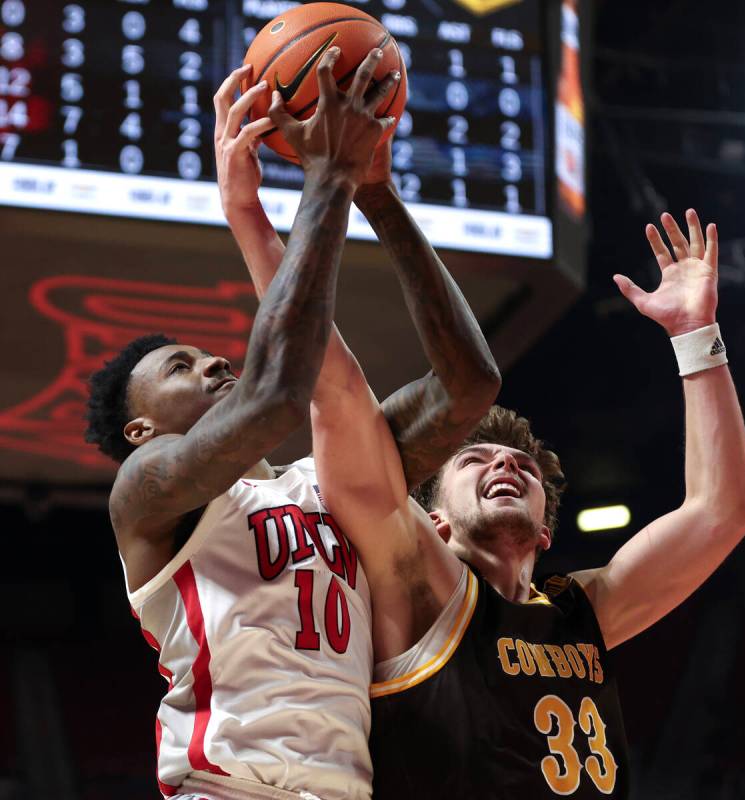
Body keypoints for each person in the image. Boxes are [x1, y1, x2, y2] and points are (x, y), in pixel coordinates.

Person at [85, 49, 499, 800]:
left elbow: (468, 385)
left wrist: (378, 195)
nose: (215, 365)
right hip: (225, 790)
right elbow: (277, 394)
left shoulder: (325, 484)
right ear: (142, 432)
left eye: (213, 357)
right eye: (182, 369)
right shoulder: (147, 493)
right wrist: (326, 178)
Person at [310, 209, 745, 798]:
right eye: (476, 461)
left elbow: (722, 510)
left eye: (523, 466)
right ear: (435, 520)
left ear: (546, 530)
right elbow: (339, 402)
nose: (505, 464)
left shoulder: (579, 611)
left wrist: (696, 337)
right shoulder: (418, 586)